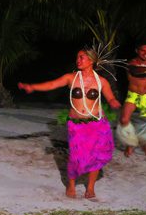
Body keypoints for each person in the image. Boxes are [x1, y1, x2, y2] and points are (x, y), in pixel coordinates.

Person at [18, 48, 121, 199]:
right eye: (77, 57)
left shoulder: (101, 81)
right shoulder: (71, 78)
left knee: (97, 156)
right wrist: (32, 87)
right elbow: (52, 84)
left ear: (91, 60)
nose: (78, 60)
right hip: (77, 124)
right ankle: (71, 185)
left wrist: (114, 102)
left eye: (82, 57)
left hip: (97, 124)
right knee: (75, 156)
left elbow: (110, 97)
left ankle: (90, 188)